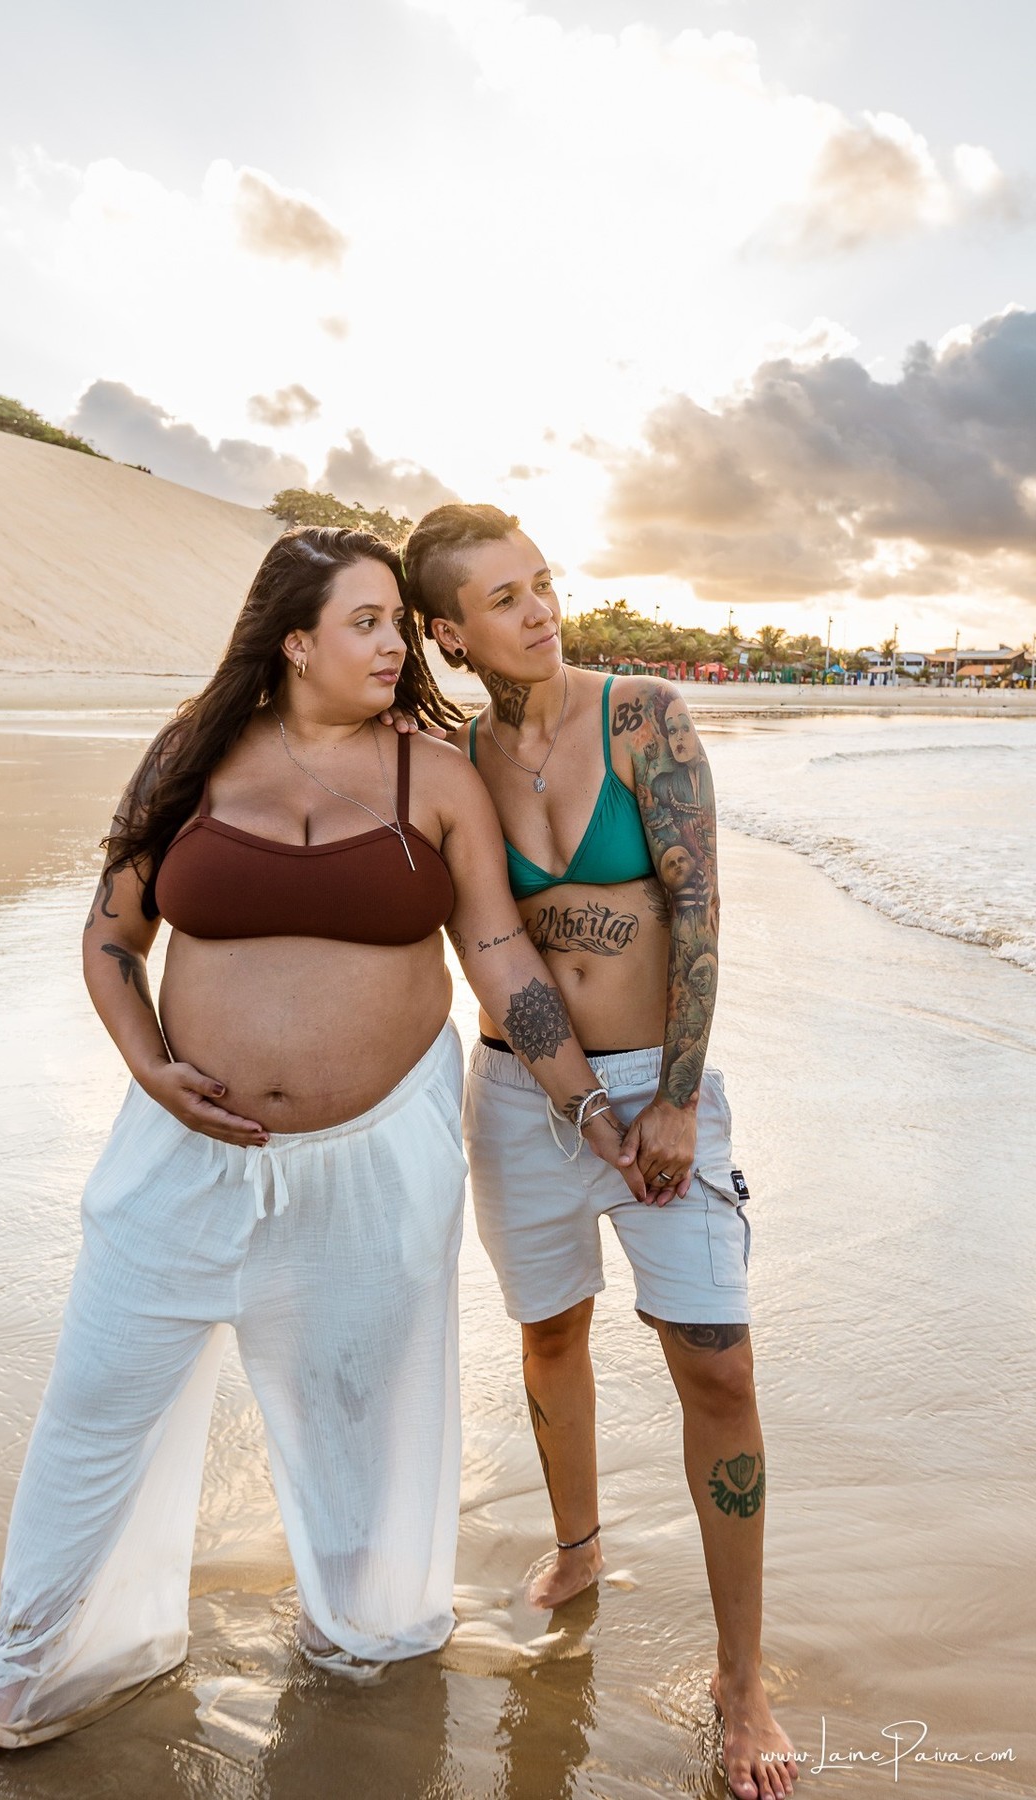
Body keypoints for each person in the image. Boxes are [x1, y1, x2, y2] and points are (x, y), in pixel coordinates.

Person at [0, 526, 642, 1781]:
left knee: (363, 1428)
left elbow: (501, 959)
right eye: (364, 622)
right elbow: (109, 940)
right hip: (178, 1165)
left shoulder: (434, 775)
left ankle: (361, 1650)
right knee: (97, 1409)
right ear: (294, 640)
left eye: (395, 622)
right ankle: (19, 1667)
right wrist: (148, 1064)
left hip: (371, 1177)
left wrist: (590, 1110)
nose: (394, 644)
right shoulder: (193, 758)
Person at [404, 505, 798, 1800]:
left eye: (544, 583)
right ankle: (577, 1547)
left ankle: (743, 1682)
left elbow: (700, 909)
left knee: (719, 1369)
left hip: (659, 1086)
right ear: (449, 632)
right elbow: (478, 939)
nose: (540, 610)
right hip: (525, 1095)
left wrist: (676, 1099)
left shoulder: (645, 718)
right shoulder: (457, 755)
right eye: (503, 599)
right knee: (552, 1334)